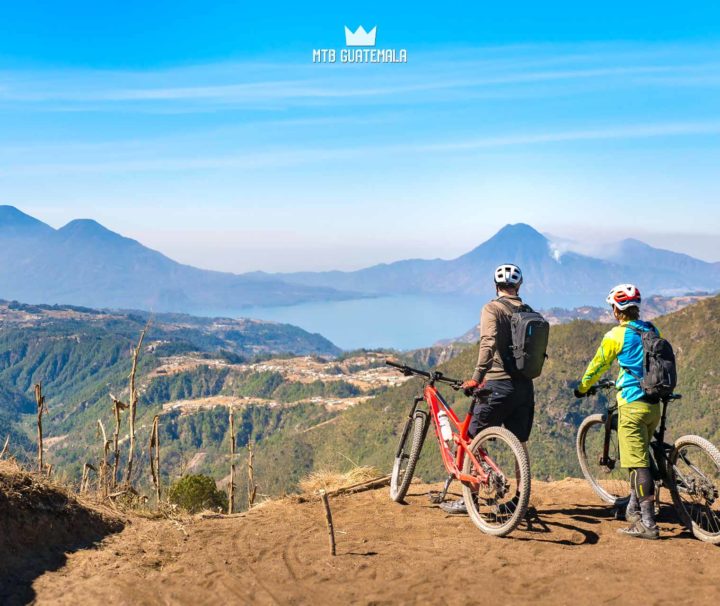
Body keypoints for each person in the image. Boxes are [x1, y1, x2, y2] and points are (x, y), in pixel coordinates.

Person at [440, 263, 536, 514]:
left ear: (496, 286)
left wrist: (475, 377)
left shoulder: (492, 308)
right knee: (519, 443)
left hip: (498, 384)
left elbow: (488, 343)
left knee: (470, 437)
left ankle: (468, 499)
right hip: (525, 388)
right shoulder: (528, 311)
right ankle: (521, 500)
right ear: (519, 285)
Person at [573, 284, 661, 540]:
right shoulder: (651, 329)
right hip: (654, 402)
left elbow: (598, 365)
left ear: (616, 310)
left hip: (632, 404)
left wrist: (582, 388)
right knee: (641, 454)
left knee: (637, 464)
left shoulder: (616, 335)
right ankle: (633, 506)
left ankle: (648, 524)